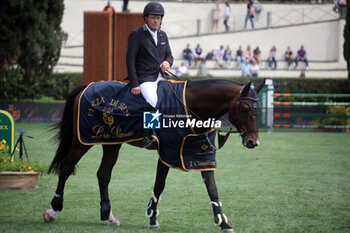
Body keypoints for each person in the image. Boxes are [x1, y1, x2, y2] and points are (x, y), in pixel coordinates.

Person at [126, 2, 173, 149]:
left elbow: (170, 56)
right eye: (153, 17)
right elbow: (130, 61)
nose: (155, 21)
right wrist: (135, 83)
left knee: (175, 97)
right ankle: (148, 136)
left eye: (158, 18)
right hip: (145, 78)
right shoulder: (136, 35)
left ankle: (170, 132)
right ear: (146, 18)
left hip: (162, 76)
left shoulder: (163, 35)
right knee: (153, 100)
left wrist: (167, 62)